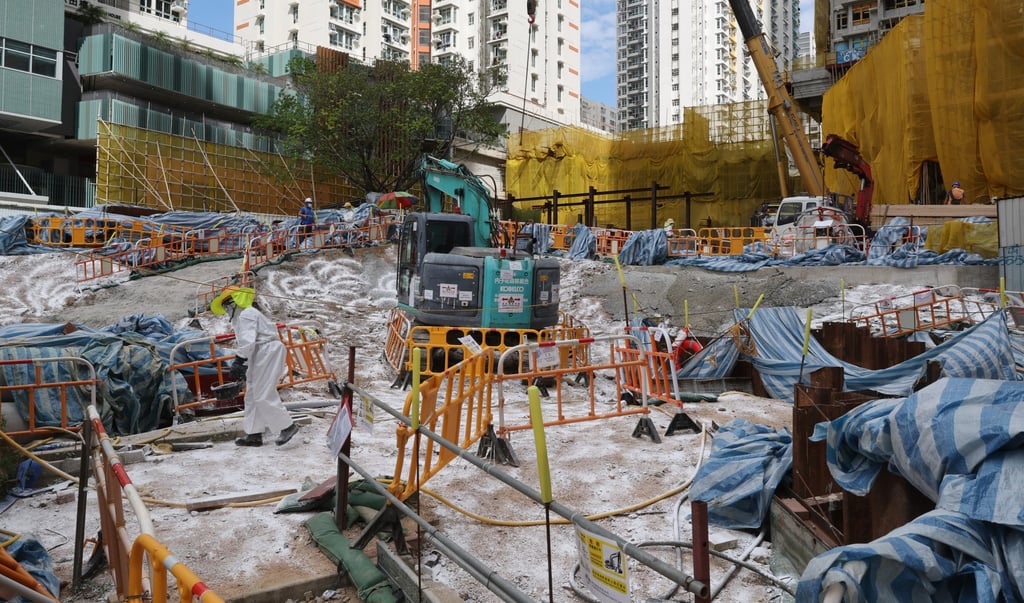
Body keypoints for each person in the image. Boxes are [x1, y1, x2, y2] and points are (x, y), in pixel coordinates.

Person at [211, 286, 299, 447]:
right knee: (251, 394)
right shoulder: (242, 317)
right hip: (260, 353)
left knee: (262, 392)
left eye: (227, 305)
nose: (226, 310)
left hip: (267, 351)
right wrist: (244, 365)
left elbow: (248, 341)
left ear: (234, 302)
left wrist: (240, 361)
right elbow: (250, 343)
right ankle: (254, 434)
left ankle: (287, 426)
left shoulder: (246, 314)